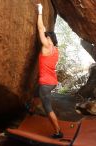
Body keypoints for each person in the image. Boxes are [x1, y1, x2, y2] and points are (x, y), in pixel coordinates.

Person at [36, 3, 63, 139]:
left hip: (45, 84)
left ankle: (58, 131)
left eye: (47, 37)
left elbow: (41, 28)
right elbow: (45, 30)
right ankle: (29, 107)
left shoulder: (47, 46)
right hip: (51, 82)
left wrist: (40, 11)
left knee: (48, 109)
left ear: (50, 40)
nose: (45, 37)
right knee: (37, 93)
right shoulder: (55, 50)